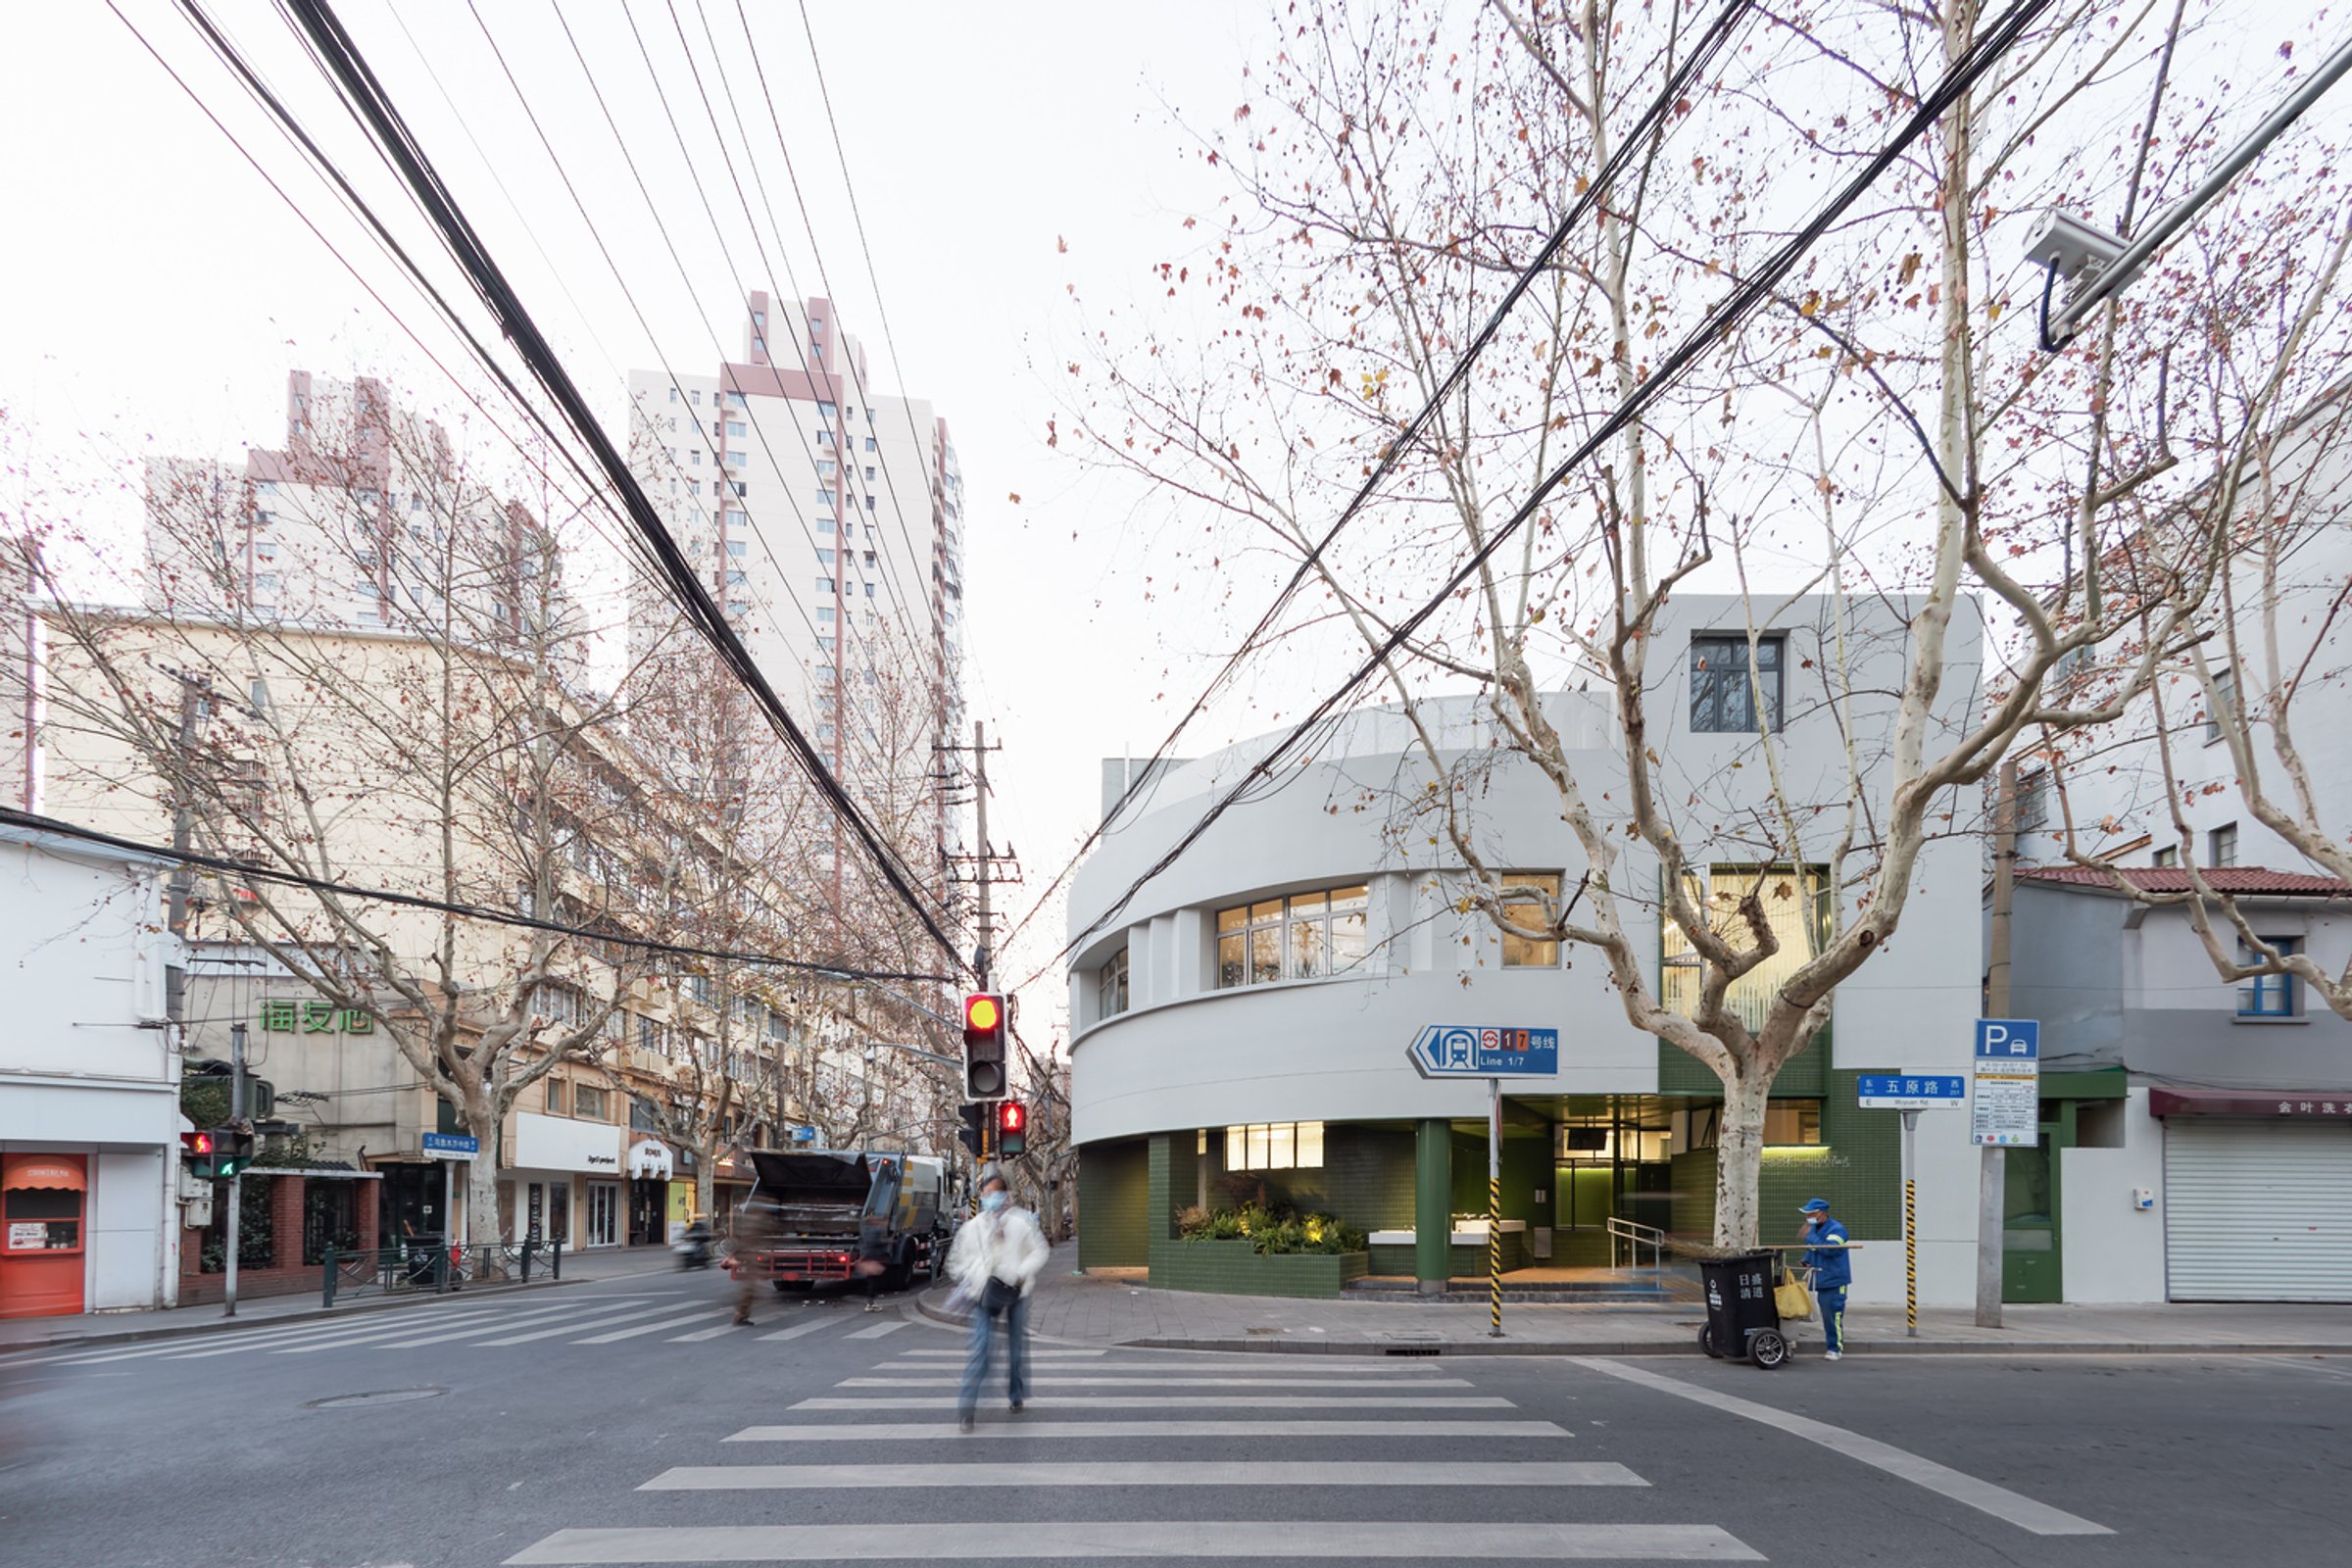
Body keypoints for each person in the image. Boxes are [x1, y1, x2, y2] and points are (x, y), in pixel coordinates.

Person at [946, 1164, 1050, 1433]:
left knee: (1016, 1349)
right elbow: (955, 1262)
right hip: (983, 1294)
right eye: (986, 1192)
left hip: (1017, 1292)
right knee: (980, 1351)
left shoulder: (1021, 1222)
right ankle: (966, 1408)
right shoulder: (972, 1228)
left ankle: (1015, 1394)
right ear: (980, 1196)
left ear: (1005, 1196)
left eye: (996, 1193)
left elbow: (1040, 1250)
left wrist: (1020, 1272)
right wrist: (972, 1274)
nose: (991, 1198)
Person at [1797, 1198, 1852, 1360]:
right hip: (1822, 1279)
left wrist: (1810, 1236)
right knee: (1826, 1314)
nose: (1808, 1217)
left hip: (1835, 1280)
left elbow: (1830, 1250)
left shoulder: (1837, 1229)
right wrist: (1806, 1259)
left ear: (1821, 1213)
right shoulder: (1816, 1230)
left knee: (1833, 1315)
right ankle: (1832, 1345)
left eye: (1811, 1214)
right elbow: (1814, 1250)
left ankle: (1835, 1348)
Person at [730, 1198, 778, 1326]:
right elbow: (750, 1240)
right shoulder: (756, 1223)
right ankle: (740, 1314)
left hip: (750, 1258)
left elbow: (741, 1240)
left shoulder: (748, 1222)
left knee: (750, 1288)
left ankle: (741, 1314)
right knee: (749, 1288)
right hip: (752, 1259)